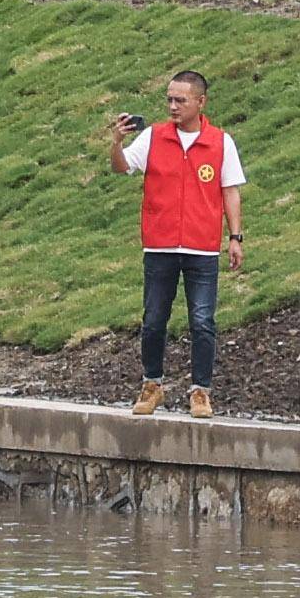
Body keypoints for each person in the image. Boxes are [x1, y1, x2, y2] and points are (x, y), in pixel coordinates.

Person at [114, 70, 242, 416]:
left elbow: (230, 190)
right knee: (154, 318)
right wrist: (115, 143)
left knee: (202, 320)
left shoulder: (220, 142)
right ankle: (152, 384)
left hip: (201, 247)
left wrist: (235, 236)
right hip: (160, 244)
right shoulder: (154, 137)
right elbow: (122, 167)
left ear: (201, 102)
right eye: (169, 99)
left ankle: (201, 391)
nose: (172, 106)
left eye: (180, 100)